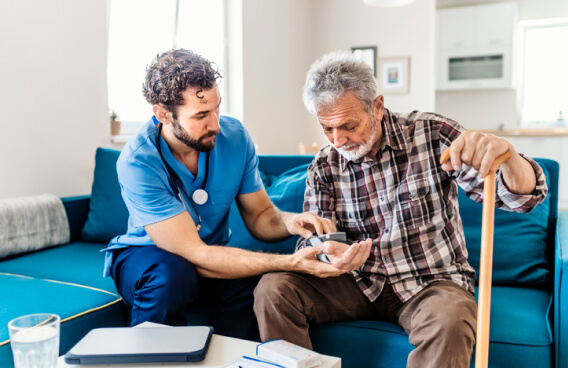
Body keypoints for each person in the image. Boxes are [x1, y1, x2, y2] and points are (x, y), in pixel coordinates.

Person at [253, 50, 548, 367]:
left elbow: (521, 199)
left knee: (451, 318)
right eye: (327, 129)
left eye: (348, 125)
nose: (338, 140)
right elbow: (310, 241)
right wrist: (327, 252)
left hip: (430, 281)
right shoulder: (324, 165)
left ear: (377, 106)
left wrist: (510, 157)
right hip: (355, 281)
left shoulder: (431, 135)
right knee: (273, 290)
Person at [103, 49, 372, 340]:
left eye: (217, 108)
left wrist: (290, 222)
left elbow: (260, 216)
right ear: (163, 114)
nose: (216, 124)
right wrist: (289, 262)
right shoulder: (138, 161)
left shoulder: (235, 137)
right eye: (202, 115)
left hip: (212, 255)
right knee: (171, 277)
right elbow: (195, 254)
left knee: (258, 286)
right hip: (148, 259)